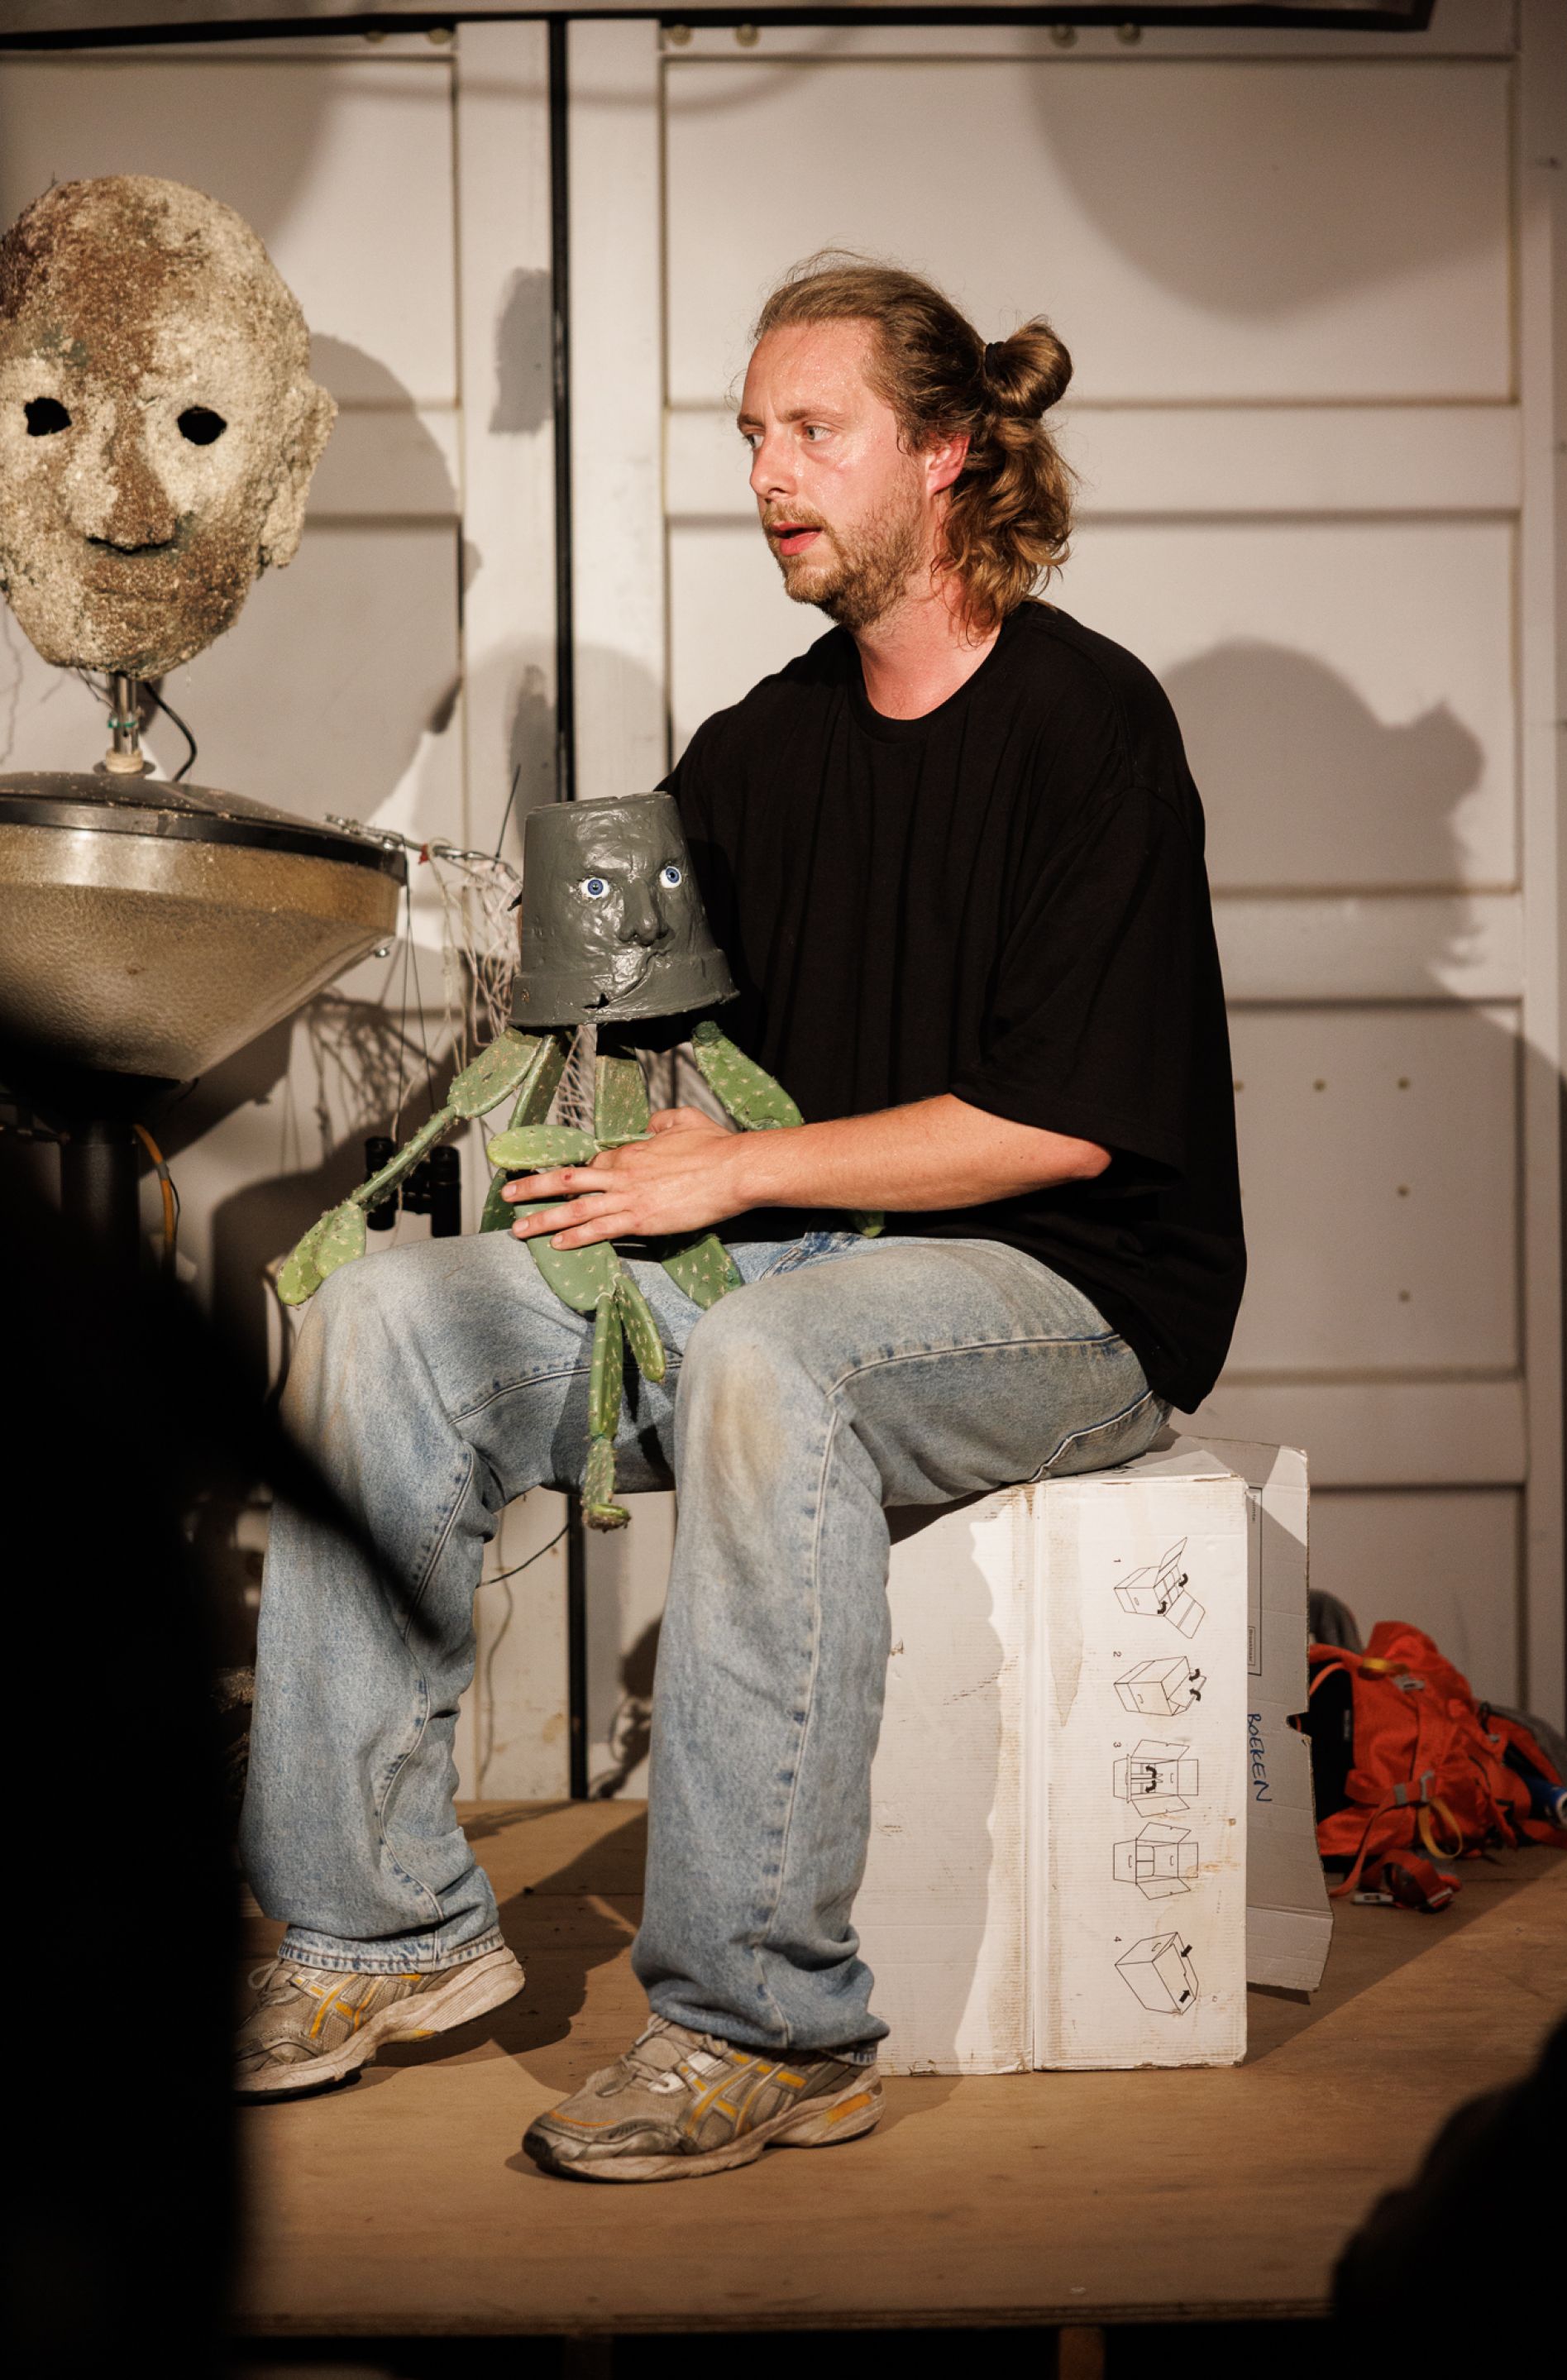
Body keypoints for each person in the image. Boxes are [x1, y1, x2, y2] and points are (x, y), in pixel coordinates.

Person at [236, 256, 1245, 2182]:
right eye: (753, 435)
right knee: (389, 1321)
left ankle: (763, 2022)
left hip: (1075, 1294)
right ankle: (380, 1927)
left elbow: (1059, 1128)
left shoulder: (1090, 725)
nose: (771, 473)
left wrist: (734, 1173)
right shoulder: (763, 748)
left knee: (780, 1354)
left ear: (944, 453)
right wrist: (606, 1111)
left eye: (815, 431)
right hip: (803, 1259)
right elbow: (677, 1070)